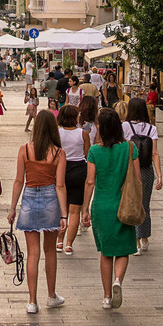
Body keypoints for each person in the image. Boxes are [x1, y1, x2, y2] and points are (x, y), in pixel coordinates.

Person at [7, 111, 68, 314]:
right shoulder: (59, 153)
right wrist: (64, 214)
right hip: (51, 198)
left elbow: (18, 181)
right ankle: (51, 295)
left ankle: (32, 301)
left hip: (29, 198)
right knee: (50, 251)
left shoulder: (25, 150)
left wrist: (12, 208)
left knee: (33, 253)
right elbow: (60, 186)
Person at [82, 108, 140, 309]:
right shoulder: (130, 148)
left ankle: (107, 296)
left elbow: (90, 182)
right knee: (122, 250)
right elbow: (137, 179)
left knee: (106, 252)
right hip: (124, 205)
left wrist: (84, 209)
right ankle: (118, 280)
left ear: (101, 128)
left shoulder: (94, 151)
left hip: (102, 206)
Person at [123, 98, 163, 254]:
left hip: (129, 170)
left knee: (131, 202)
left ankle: (135, 241)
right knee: (144, 204)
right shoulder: (151, 128)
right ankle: (144, 238)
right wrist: (159, 176)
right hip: (146, 170)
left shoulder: (125, 127)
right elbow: (154, 153)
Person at [56, 105, 90, 255]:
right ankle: (69, 244)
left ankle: (59, 241)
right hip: (79, 170)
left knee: (61, 209)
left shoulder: (57, 133)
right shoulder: (83, 134)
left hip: (61, 171)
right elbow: (87, 154)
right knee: (75, 211)